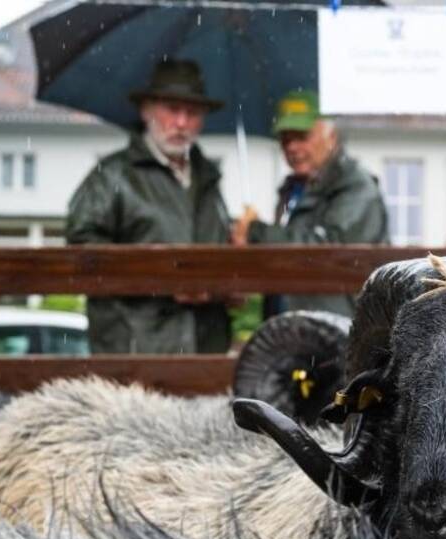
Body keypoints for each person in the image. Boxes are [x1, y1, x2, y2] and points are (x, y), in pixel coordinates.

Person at [66, 59, 233, 354]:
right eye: (172, 109)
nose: (181, 123)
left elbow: (219, 255)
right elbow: (82, 251)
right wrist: (162, 281)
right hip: (135, 349)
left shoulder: (210, 180)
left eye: (192, 112)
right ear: (146, 111)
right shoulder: (112, 175)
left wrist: (227, 282)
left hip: (205, 348)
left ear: (203, 119)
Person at [231, 89, 389, 317]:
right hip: (295, 328)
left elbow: (329, 250)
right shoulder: (293, 189)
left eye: (301, 136)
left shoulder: (357, 187)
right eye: (285, 138)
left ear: (331, 136)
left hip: (337, 329)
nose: (292, 147)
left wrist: (255, 232)